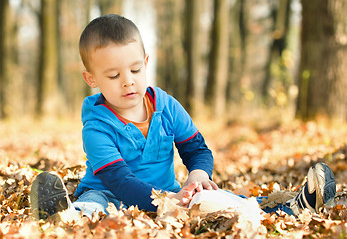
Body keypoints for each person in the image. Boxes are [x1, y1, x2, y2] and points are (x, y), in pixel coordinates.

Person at [29, 14, 336, 220]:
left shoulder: (166, 106)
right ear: (91, 79)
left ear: (146, 62)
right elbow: (118, 179)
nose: (128, 81)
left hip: (168, 193)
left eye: (136, 70)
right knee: (95, 207)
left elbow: (196, 148)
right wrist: (163, 204)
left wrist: (198, 175)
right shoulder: (96, 126)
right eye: (113, 75)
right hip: (110, 192)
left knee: (217, 201)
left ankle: (291, 207)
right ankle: (62, 215)